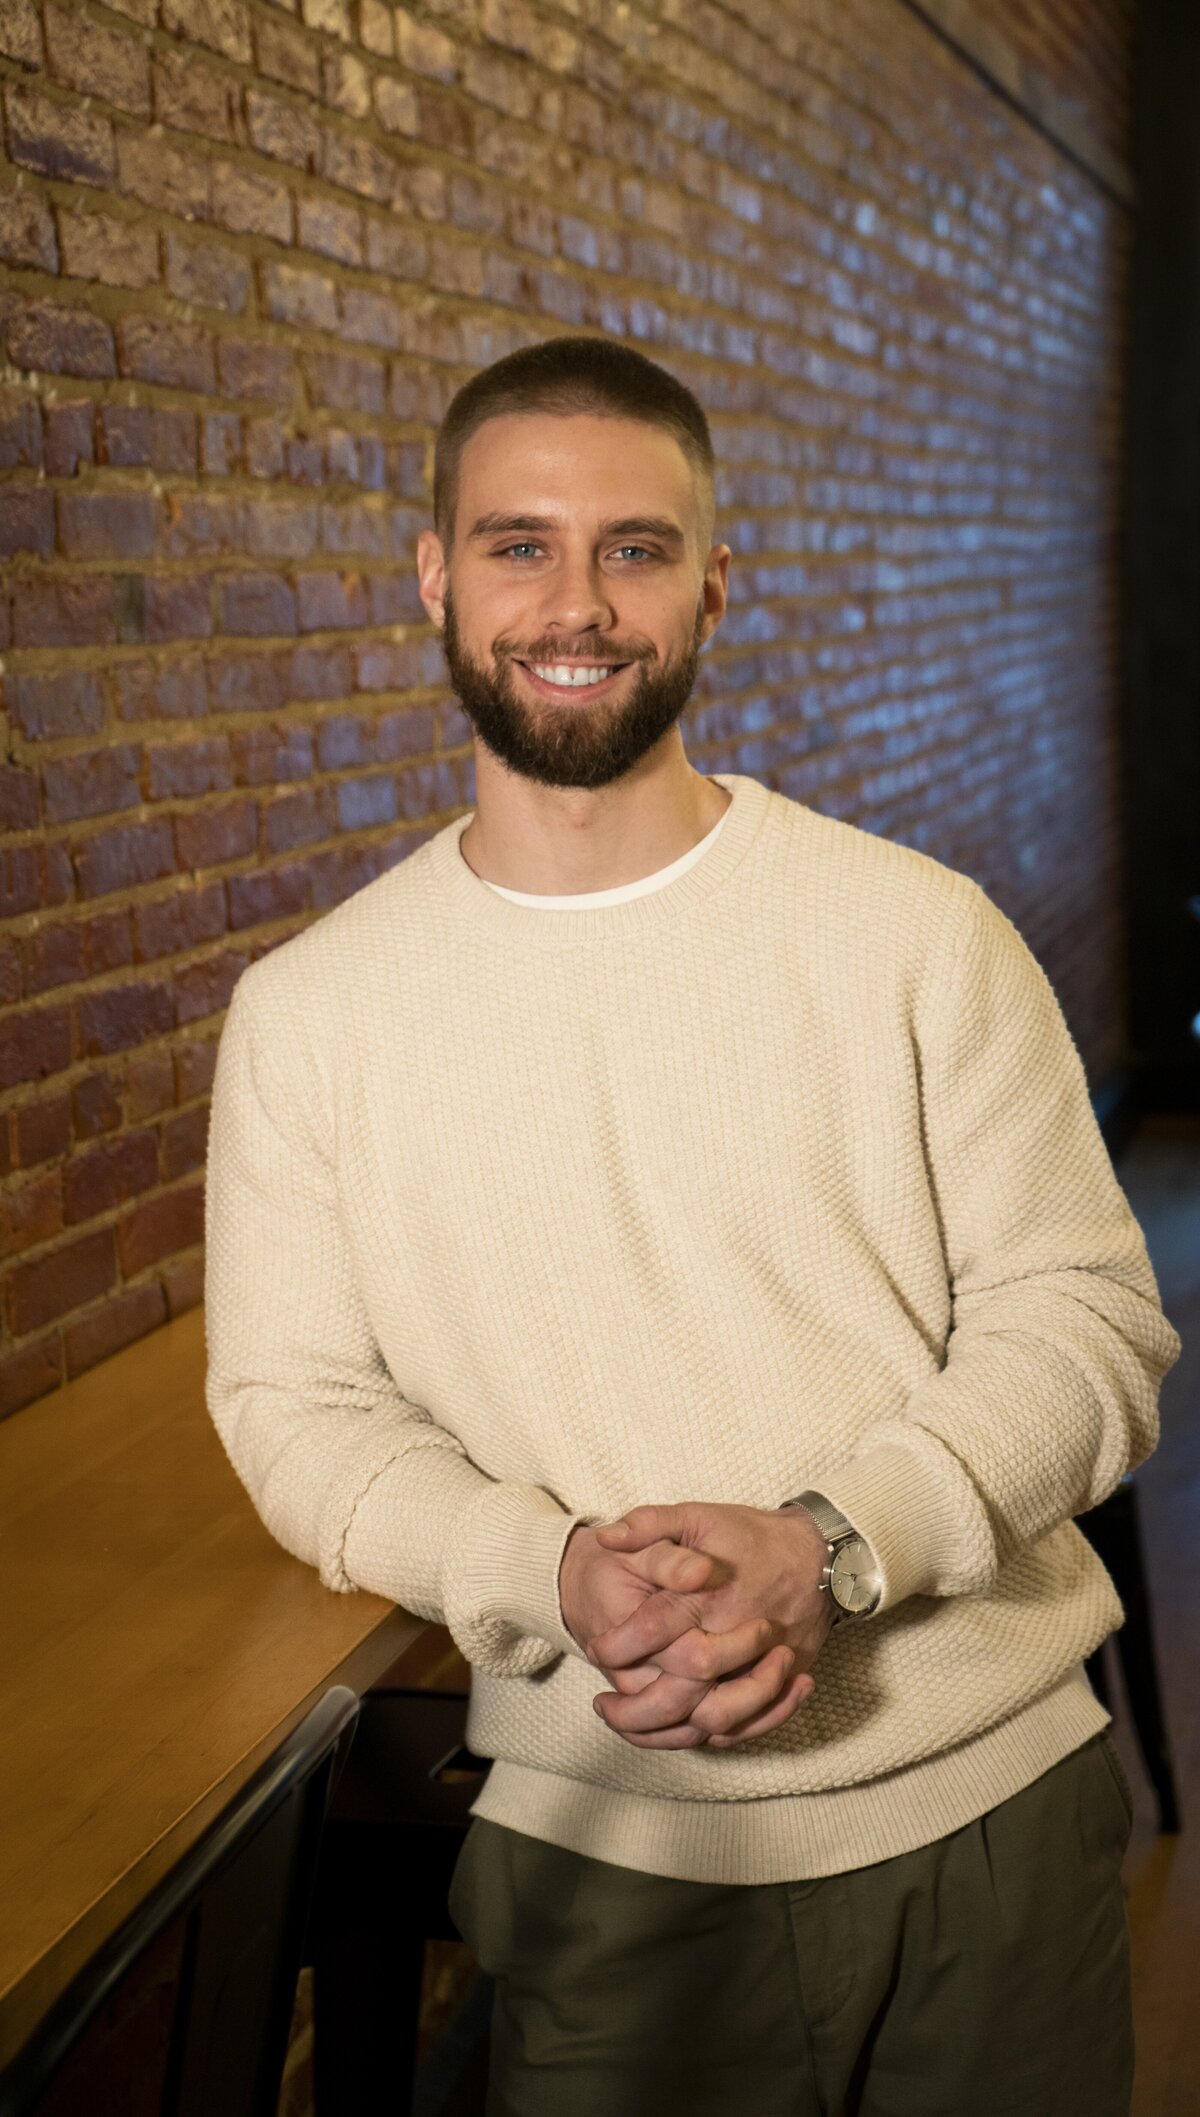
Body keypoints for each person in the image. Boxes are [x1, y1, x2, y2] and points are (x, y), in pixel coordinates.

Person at [203, 334, 1182, 2115]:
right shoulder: (310, 1013)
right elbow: (292, 1409)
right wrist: (547, 1571)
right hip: (604, 1848)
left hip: (981, 1810)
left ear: (715, 583)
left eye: (634, 549)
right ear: (434, 574)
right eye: (518, 545)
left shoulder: (916, 935)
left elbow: (1090, 1322)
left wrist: (837, 1544)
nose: (575, 602)